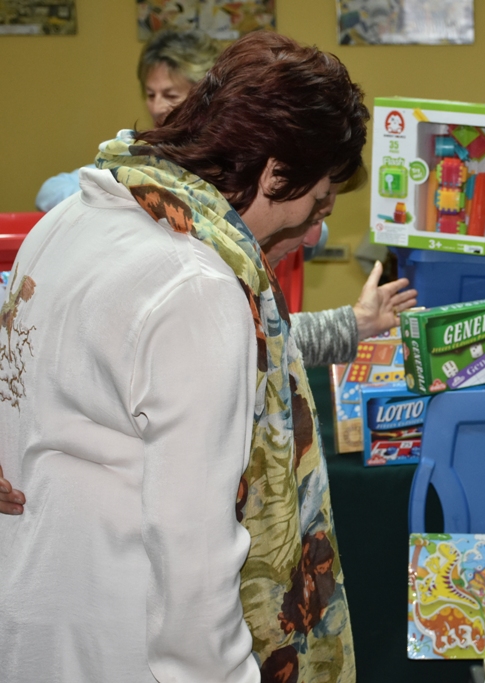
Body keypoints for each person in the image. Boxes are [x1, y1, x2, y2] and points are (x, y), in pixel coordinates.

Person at [0, 31, 415, 681]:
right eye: (319, 203)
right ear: (277, 169)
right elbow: (192, 572)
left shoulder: (75, 214)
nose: (312, 228)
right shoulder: (200, 287)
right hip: (125, 644)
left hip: (34, 613)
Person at [35, 30, 220, 212]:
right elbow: (49, 192)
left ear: (203, 97)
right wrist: (117, 194)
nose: (156, 108)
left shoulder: (221, 156)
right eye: (150, 94)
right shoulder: (140, 151)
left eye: (170, 95)